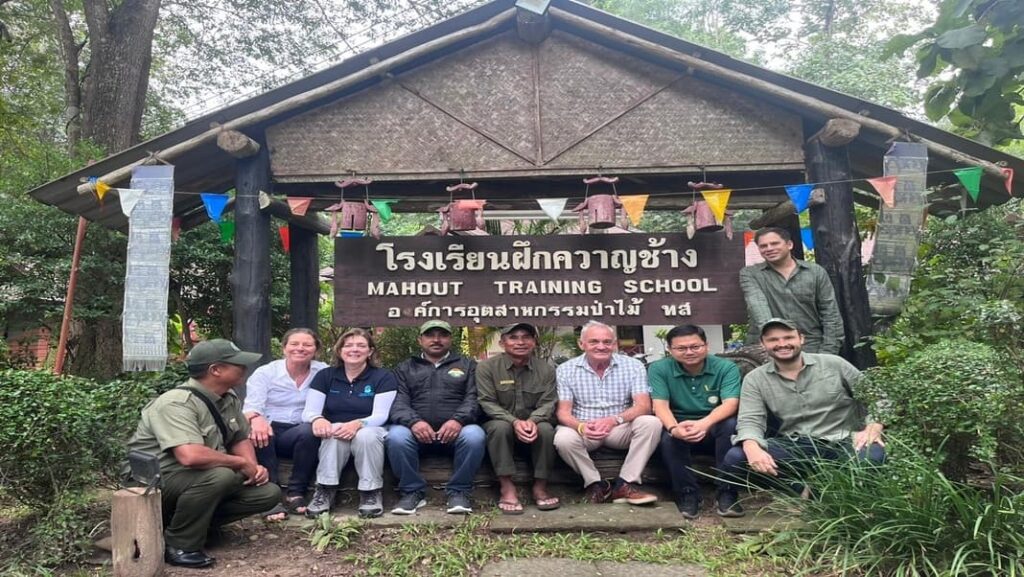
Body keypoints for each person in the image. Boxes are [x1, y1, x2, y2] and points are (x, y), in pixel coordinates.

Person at [124, 339, 280, 568]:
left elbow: (239, 436)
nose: (244, 368)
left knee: (268, 493)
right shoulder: (176, 403)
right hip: (155, 482)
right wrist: (238, 463)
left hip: (197, 478)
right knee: (222, 476)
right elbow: (190, 456)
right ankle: (179, 544)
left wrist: (253, 469)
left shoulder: (229, 397)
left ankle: (196, 526)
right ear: (215, 370)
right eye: (237, 364)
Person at [722, 318, 885, 496]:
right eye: (773, 340)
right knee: (736, 458)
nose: (782, 344)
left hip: (844, 440)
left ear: (801, 339)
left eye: (788, 338)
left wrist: (873, 427)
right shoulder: (755, 379)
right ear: (763, 344)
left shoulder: (834, 364)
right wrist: (751, 447)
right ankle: (800, 489)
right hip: (797, 445)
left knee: (872, 457)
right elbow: (750, 420)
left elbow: (879, 398)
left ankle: (828, 493)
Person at [553, 321, 661, 505]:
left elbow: (643, 406)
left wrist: (614, 420)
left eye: (607, 342)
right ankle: (596, 484)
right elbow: (563, 412)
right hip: (585, 428)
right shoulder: (566, 369)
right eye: (594, 341)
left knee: (651, 423)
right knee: (562, 438)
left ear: (614, 344)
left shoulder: (633, 366)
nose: (601, 346)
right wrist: (581, 426)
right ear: (582, 344)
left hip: (619, 427)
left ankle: (625, 484)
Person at [386, 320, 485, 515]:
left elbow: (474, 398)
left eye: (443, 335)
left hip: (457, 433)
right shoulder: (405, 368)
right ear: (420, 340)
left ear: (451, 339)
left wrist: (458, 420)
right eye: (430, 335)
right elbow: (398, 402)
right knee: (396, 436)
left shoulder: (468, 365)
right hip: (416, 434)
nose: (436, 340)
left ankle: (459, 491)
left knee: (475, 435)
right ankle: (412, 492)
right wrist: (414, 422)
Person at [649, 324, 743, 518]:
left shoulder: (725, 367)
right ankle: (688, 494)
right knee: (667, 438)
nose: (689, 352)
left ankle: (727, 491)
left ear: (706, 345)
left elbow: (731, 404)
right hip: (679, 426)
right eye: (681, 348)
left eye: (695, 346)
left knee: (730, 425)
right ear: (670, 350)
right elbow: (660, 406)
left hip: (713, 426)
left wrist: (703, 424)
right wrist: (674, 428)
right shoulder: (659, 368)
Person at [302, 328, 397, 518]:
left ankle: (371, 492)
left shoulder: (383, 377)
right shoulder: (325, 376)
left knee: (366, 435)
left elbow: (381, 415)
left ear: (370, 351)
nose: (354, 350)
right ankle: (325, 490)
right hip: (337, 426)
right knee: (333, 432)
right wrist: (318, 419)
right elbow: (309, 411)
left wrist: (358, 423)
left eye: (361, 346)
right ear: (339, 350)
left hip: (371, 427)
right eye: (349, 345)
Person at [243, 328, 328, 519]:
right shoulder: (266, 372)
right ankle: (270, 498)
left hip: (300, 431)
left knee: (309, 431)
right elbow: (250, 407)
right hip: (269, 427)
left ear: (315, 349)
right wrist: (257, 419)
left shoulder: (322, 371)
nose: (300, 348)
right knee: (261, 432)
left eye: (307, 345)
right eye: (294, 344)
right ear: (284, 348)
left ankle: (295, 493)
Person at [477, 322, 560, 514]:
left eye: (526, 337)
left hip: (534, 425)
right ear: (502, 343)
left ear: (534, 342)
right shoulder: (487, 368)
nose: (520, 342)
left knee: (547, 429)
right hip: (502, 425)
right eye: (513, 338)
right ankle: (507, 487)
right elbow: (486, 402)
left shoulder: (546, 370)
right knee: (499, 427)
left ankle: (540, 487)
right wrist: (514, 422)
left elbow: (549, 402)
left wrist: (532, 421)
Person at [739, 227, 844, 354]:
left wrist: (828, 352)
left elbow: (830, 314)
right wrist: (775, 341)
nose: (769, 248)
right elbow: (758, 306)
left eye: (774, 243)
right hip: (768, 347)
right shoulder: (751, 274)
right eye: (763, 246)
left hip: (811, 345)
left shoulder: (815, 272)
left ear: (789, 244)